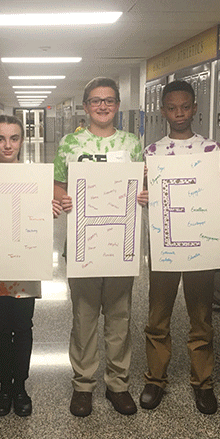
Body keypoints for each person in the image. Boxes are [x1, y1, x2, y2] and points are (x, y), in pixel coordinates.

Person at [54, 77, 147, 417]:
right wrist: (61, 199)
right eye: (96, 101)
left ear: (118, 105)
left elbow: (142, 186)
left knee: (120, 317)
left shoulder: (133, 144)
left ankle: (118, 385)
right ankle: (83, 385)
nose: (103, 106)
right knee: (84, 317)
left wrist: (144, 195)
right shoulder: (70, 144)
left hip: (120, 242)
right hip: (83, 245)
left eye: (109, 100)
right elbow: (58, 186)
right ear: (86, 106)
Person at [139, 80, 220, 415]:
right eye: (172, 107)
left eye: (185, 106)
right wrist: (144, 197)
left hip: (200, 244)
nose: (179, 113)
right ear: (163, 110)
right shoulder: (152, 152)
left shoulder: (213, 150)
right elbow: (144, 195)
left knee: (201, 317)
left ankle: (202, 383)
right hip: (164, 244)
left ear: (194, 108)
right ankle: (155, 379)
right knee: (157, 316)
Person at [0, 115, 62, 417]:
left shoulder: (34, 177)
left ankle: (20, 385)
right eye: (0, 139)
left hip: (26, 264)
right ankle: (3, 386)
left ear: (22, 140)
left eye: (13, 138)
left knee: (22, 326)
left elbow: (44, 215)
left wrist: (50, 209)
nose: (7, 145)